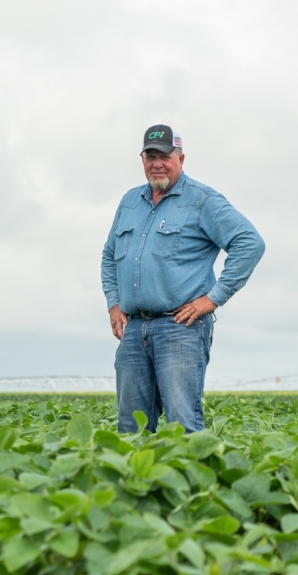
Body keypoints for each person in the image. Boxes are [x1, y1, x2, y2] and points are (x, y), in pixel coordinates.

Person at [100, 124, 265, 433]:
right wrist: (113, 303)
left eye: (165, 156)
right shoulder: (129, 202)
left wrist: (213, 299)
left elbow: (250, 243)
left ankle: (192, 480)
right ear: (142, 160)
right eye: (150, 156)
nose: (157, 163)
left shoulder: (202, 200)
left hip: (180, 328)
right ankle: (137, 481)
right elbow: (109, 256)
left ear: (181, 158)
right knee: (130, 427)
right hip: (134, 330)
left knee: (183, 423)